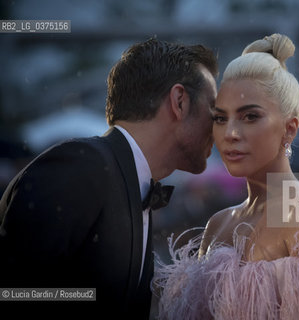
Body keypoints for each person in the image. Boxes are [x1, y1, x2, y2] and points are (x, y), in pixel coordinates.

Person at [153, 34, 299, 319]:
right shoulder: (219, 224)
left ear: (289, 128)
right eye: (220, 118)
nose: (230, 134)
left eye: (250, 116)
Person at [0, 38, 217, 319]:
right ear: (179, 102)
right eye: (214, 111)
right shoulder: (79, 167)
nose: (219, 125)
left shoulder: (127, 180)